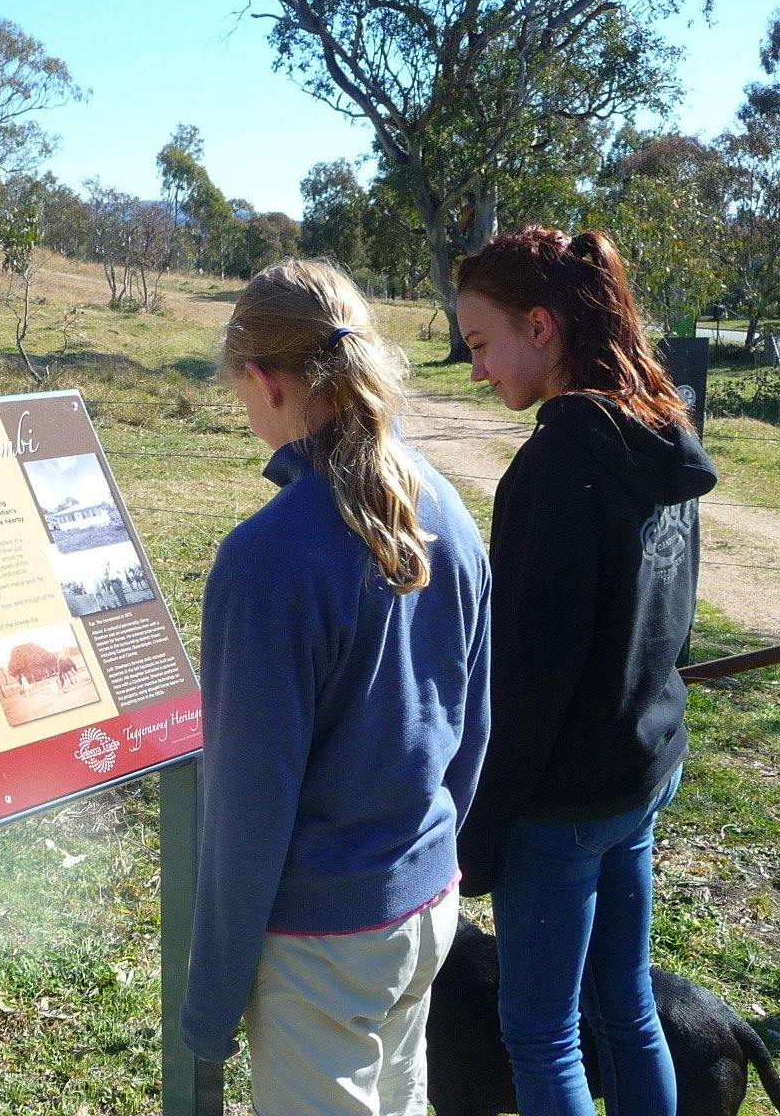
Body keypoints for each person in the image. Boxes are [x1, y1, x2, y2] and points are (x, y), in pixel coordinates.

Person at [179, 259, 492, 1116]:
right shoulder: (450, 509)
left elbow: (248, 811)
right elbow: (472, 725)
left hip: (323, 946)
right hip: (427, 902)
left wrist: (208, 1007)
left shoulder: (264, 562)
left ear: (266, 379)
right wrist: (425, 852)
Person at [453, 226, 718, 1116]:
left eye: (483, 344)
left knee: (542, 1032)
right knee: (626, 1005)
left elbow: (529, 682)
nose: (478, 368)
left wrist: (480, 834)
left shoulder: (555, 466)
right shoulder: (658, 436)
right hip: (639, 775)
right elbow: (676, 623)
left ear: (542, 325)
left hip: (562, 804)